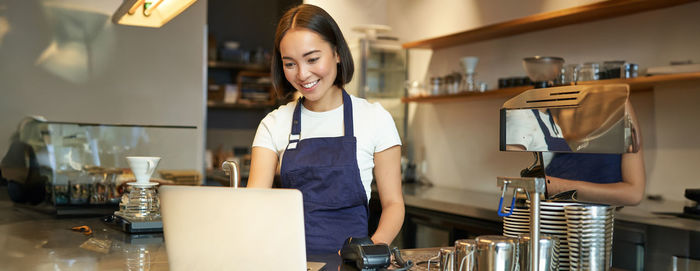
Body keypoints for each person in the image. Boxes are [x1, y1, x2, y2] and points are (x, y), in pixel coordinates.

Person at [247, 4, 404, 255]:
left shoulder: (375, 119)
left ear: (337, 53)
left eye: (312, 59)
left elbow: (394, 204)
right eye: (290, 64)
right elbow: (254, 205)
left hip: (355, 263)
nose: (302, 74)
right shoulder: (274, 124)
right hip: (290, 260)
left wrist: (369, 252)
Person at [543, 100, 646, 206]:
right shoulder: (545, 103)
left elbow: (634, 194)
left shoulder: (618, 102)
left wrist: (556, 187)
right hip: (545, 212)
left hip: (594, 217)